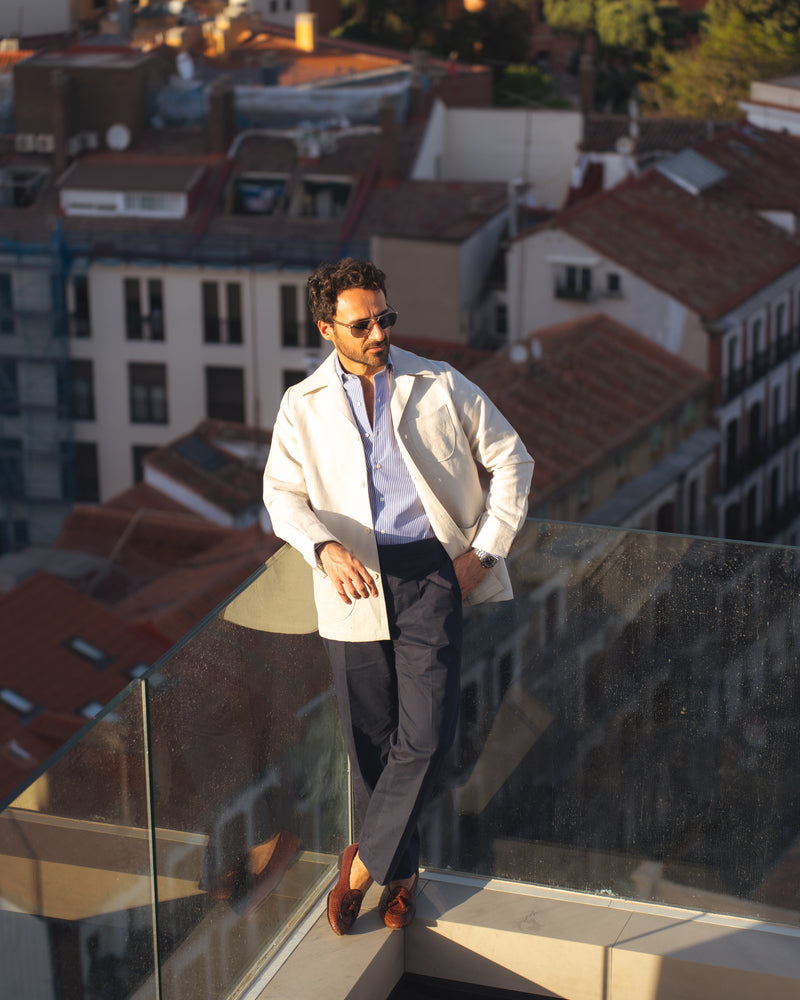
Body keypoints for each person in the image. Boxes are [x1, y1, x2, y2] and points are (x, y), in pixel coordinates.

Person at [263, 258, 533, 935]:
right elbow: (281, 495)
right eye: (362, 324)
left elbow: (513, 460)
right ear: (327, 329)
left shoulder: (439, 382)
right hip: (350, 580)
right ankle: (402, 873)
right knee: (370, 745)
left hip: (430, 574)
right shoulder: (302, 404)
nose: (379, 332)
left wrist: (484, 552)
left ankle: (361, 869)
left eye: (384, 318)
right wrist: (322, 549)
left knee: (429, 734)